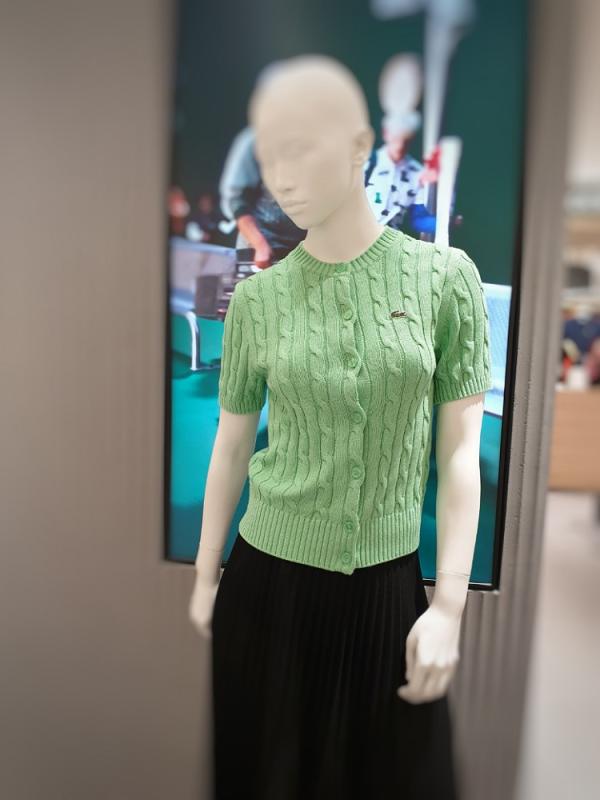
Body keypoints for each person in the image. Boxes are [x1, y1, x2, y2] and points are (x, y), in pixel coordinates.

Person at [190, 55, 492, 799]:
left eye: (299, 149)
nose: (282, 178)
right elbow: (232, 444)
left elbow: (460, 454)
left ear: (360, 145)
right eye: (269, 156)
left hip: (387, 594)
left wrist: (449, 604)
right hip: (264, 589)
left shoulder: (444, 280)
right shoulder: (258, 300)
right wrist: (204, 574)